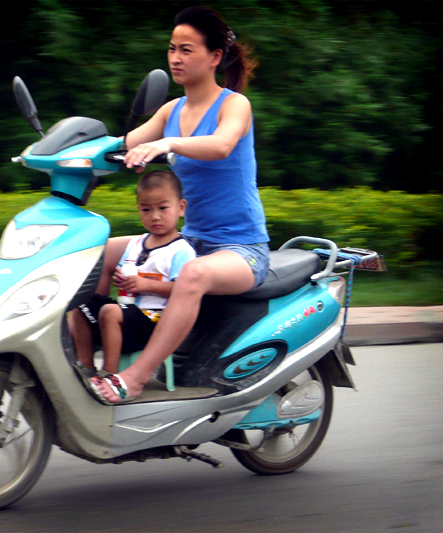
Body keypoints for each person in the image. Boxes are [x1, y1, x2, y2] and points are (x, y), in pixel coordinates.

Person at [87, 6, 270, 404]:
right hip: (187, 240)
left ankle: (135, 377)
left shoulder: (233, 105)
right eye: (172, 48)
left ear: (215, 57)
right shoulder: (171, 110)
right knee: (98, 251)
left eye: (186, 50)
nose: (175, 58)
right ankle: (89, 357)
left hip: (240, 250)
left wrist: (167, 144)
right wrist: (58, 151)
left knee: (191, 276)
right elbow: (120, 146)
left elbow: (221, 145)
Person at [69, 170, 195, 386]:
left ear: (181, 208)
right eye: (146, 209)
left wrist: (146, 284)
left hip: (157, 319)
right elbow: (123, 270)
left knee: (109, 312)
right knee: (81, 302)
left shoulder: (181, 250)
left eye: (163, 208)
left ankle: (109, 374)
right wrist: (121, 279)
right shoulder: (136, 244)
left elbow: (183, 290)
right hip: (127, 312)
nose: (155, 216)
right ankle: (85, 364)